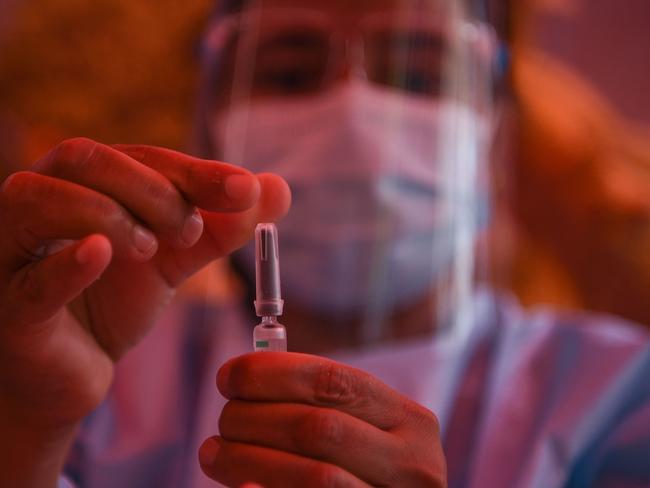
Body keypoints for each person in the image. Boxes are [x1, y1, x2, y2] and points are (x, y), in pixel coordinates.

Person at [0, 1, 648, 488]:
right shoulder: (79, 374)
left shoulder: (620, 398)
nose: (356, 114)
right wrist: (22, 439)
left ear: (496, 137)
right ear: (209, 123)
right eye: (287, 73)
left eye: (419, 78)